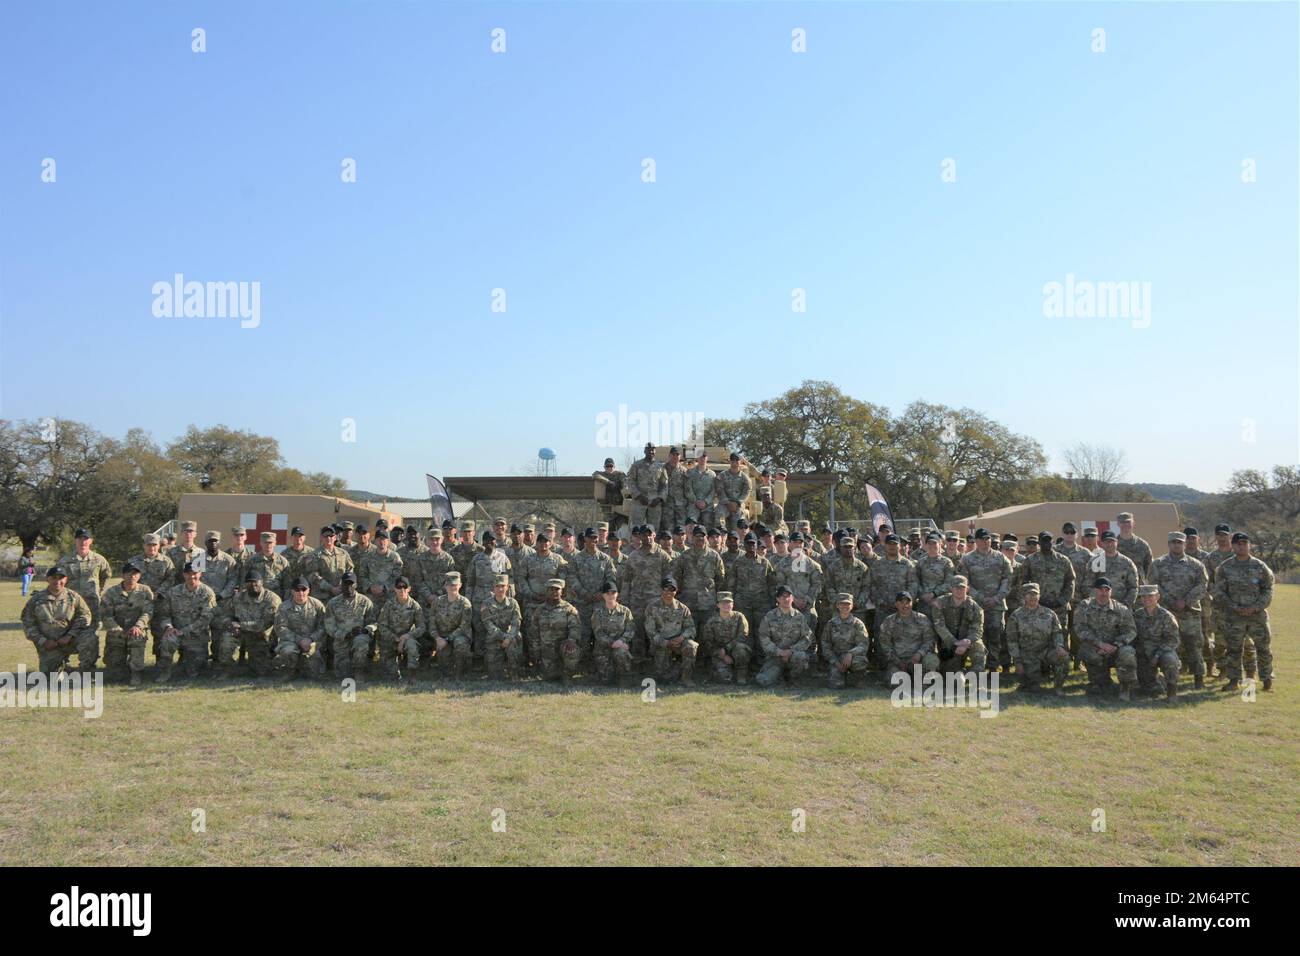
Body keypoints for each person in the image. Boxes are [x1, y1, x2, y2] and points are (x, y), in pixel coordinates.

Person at [1213, 532, 1275, 692]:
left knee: (1263, 649)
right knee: (1234, 650)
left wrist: (1256, 607)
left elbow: (1268, 590)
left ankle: (1267, 680)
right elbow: (1219, 591)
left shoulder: (1260, 567)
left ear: (1250, 545)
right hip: (1234, 616)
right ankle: (1234, 680)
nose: (1241, 546)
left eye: (1244, 543)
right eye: (1238, 544)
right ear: (1232, 546)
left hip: (1257, 616)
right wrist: (1234, 607)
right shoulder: (1225, 568)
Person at [1148, 531, 1209, 688]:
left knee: (1194, 646)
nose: (1177, 545)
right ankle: (1163, 679)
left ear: (1185, 544)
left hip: (1189, 613)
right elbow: (1154, 586)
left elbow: (1202, 585)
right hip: (1166, 613)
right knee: (1164, 645)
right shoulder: (1158, 564)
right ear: (1168, 544)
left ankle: (1198, 679)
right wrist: (1170, 600)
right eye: (1173, 542)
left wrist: (1186, 601)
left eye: (1180, 542)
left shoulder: (1196, 565)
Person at [22, 566, 95, 676]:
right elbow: (28, 623)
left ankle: (86, 673)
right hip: (49, 644)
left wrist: (70, 635)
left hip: (70, 640)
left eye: (61, 578)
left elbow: (85, 616)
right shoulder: (36, 600)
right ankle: (64, 668)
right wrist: (43, 641)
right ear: (48, 579)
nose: (57, 581)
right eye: (54, 578)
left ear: (66, 580)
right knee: (51, 677)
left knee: (90, 638)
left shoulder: (73, 597)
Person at [1076, 577, 1138, 700]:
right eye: (1100, 590)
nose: (1103, 593)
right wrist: (1100, 644)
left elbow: (1131, 631)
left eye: (1107, 590)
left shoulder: (1121, 609)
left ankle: (1125, 688)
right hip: (1096, 647)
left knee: (1128, 653)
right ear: (1094, 591)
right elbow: (1080, 629)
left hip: (1116, 648)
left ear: (1111, 592)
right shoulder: (1084, 606)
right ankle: (1099, 683)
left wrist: (1116, 645)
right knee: (1087, 651)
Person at [155, 561, 217, 682]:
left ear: (200, 574)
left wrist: (184, 631)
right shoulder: (173, 592)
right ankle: (165, 672)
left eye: (194, 573)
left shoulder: (207, 593)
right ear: (184, 575)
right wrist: (168, 627)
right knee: (167, 641)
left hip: (196, 634)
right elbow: (164, 615)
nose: (191, 576)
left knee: (193, 672)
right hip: (175, 632)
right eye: (188, 573)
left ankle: (193, 664)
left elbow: (205, 619)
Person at [1005, 583, 1068, 695]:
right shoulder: (1016, 615)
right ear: (1024, 596)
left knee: (1063, 657)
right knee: (1033, 688)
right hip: (1028, 653)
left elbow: (1057, 632)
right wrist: (1018, 662)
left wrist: (1059, 646)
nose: (1033, 597)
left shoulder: (1049, 613)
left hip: (1046, 650)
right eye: (1029, 594)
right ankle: (1029, 682)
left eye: (1035, 594)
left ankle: (1058, 687)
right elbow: (1012, 640)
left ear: (1039, 596)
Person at [100, 560, 155, 685]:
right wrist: (117, 629)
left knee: (137, 637)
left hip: (136, 630)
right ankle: (119, 669)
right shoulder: (111, 593)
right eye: (129, 573)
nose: (132, 576)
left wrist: (138, 626)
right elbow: (106, 615)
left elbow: (148, 612)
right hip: (117, 630)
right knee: (116, 674)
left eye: (135, 574)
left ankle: (136, 672)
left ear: (139, 576)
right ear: (122, 575)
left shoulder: (145, 591)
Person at [930, 575, 987, 678]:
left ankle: (974, 676)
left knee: (979, 647)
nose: (959, 590)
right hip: (948, 643)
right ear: (951, 588)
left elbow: (977, 629)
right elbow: (939, 626)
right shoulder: (940, 602)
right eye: (956, 587)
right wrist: (955, 643)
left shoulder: (975, 608)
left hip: (967, 643)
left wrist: (967, 641)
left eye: (962, 588)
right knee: (949, 676)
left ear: (967, 589)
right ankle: (958, 672)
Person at [756, 585, 814, 686]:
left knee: (801, 657)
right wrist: (780, 652)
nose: (786, 599)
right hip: (775, 657)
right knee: (763, 681)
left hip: (793, 656)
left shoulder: (800, 617)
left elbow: (807, 638)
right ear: (777, 599)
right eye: (783, 596)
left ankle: (793, 678)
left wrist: (791, 651)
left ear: (792, 599)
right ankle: (779, 675)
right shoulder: (769, 616)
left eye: (788, 596)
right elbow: (764, 638)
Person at [1133, 584, 1182, 700]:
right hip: (1143, 651)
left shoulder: (1166, 616)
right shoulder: (1137, 615)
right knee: (1148, 689)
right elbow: (1132, 635)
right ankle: (1150, 685)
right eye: (1143, 597)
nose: (1146, 599)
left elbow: (1173, 639)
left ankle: (1172, 692)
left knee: (1170, 659)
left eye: (1150, 596)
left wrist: (1157, 654)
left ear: (1157, 597)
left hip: (1162, 650)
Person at [273, 576, 327, 681]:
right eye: (297, 590)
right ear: (292, 591)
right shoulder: (283, 607)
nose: (301, 592)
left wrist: (311, 639)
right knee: (288, 651)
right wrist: (300, 640)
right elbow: (281, 628)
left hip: (312, 641)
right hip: (291, 642)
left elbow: (323, 626)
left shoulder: (317, 605)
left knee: (314, 675)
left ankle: (306, 669)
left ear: (308, 590)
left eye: (304, 589)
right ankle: (290, 672)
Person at [531, 578, 582, 685]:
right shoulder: (539, 611)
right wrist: (536, 651)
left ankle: (567, 676)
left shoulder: (569, 609)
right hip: (547, 649)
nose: (554, 592)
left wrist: (571, 640)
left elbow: (575, 627)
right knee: (550, 677)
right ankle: (553, 672)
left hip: (563, 647)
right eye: (551, 589)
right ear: (547, 591)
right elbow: (534, 633)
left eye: (557, 589)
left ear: (561, 591)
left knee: (572, 649)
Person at [879, 591, 938, 681]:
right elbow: (884, 644)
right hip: (898, 661)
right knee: (896, 683)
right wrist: (897, 662)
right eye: (901, 603)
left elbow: (930, 640)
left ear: (912, 603)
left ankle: (922, 677)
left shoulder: (922, 619)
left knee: (931, 660)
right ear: (896, 604)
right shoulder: (889, 621)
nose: (905, 606)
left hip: (918, 660)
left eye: (908, 603)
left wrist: (919, 654)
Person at [428, 571, 475, 680]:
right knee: (444, 664)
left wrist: (448, 639)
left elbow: (464, 626)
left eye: (455, 584)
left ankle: (460, 674)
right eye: (449, 584)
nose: (452, 587)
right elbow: (432, 622)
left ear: (460, 585)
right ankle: (446, 673)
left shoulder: (465, 603)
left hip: (460, 636)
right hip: (442, 637)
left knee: (460, 644)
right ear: (445, 586)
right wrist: (437, 638)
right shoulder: (437, 602)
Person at [377, 576, 424, 682]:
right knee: (390, 678)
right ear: (395, 589)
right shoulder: (388, 605)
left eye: (404, 587)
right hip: (390, 639)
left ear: (409, 589)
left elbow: (421, 627)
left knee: (412, 646)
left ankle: (412, 676)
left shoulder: (415, 606)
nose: (402, 589)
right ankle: (394, 674)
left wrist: (407, 636)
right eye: (399, 587)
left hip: (407, 639)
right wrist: (395, 638)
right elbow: (381, 625)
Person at [480, 574, 524, 681]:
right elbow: (488, 624)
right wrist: (503, 637)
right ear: (493, 587)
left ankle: (514, 674)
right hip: (494, 637)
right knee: (495, 676)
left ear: (507, 587)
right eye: (497, 586)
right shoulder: (486, 603)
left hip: (511, 637)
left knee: (514, 640)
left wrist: (508, 638)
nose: (500, 589)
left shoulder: (513, 603)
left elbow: (516, 623)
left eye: (503, 586)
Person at [822, 593, 870, 689]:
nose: (845, 606)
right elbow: (825, 645)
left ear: (852, 606)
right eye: (842, 604)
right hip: (837, 658)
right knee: (836, 686)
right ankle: (842, 676)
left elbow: (863, 644)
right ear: (837, 605)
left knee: (860, 662)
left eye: (847, 604)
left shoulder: (858, 624)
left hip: (853, 658)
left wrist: (850, 654)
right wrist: (835, 661)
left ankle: (857, 678)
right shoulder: (831, 624)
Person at [626, 443, 667, 531]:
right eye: (648, 449)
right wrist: (638, 495)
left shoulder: (660, 466)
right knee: (636, 529)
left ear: (655, 451)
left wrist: (660, 498)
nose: (651, 451)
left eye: (653, 449)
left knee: (654, 529)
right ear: (644, 451)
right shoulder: (637, 465)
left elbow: (665, 484)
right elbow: (630, 481)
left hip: (654, 502)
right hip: (639, 501)